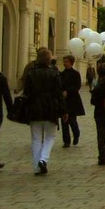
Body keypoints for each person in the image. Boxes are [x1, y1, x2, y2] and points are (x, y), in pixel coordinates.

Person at [24, 47, 66, 175]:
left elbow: (27, 93)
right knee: (50, 137)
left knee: (36, 139)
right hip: (50, 107)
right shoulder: (54, 74)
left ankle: (37, 166)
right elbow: (59, 93)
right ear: (49, 60)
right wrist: (64, 110)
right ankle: (43, 159)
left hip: (35, 108)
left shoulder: (31, 73)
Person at [59, 55, 85, 148]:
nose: (64, 63)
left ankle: (76, 133)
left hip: (73, 99)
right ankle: (66, 141)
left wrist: (68, 91)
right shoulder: (61, 74)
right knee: (64, 121)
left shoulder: (75, 74)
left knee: (72, 120)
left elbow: (77, 86)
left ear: (71, 62)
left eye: (66, 61)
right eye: (64, 61)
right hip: (63, 100)